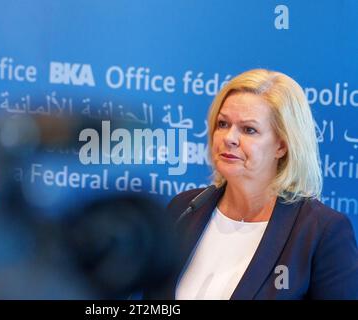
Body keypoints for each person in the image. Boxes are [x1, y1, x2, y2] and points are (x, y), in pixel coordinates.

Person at [145, 69, 358, 299]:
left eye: (249, 129)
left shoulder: (321, 231)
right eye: (223, 124)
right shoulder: (184, 208)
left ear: (282, 146)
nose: (229, 138)